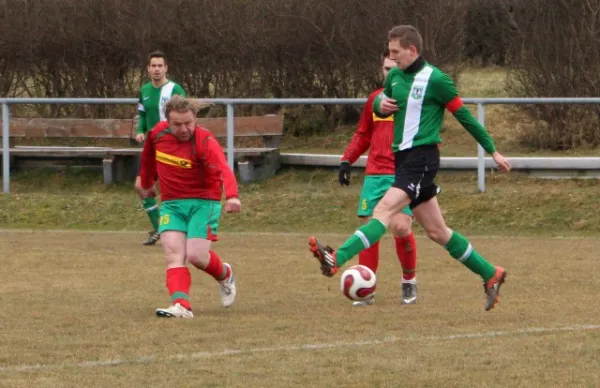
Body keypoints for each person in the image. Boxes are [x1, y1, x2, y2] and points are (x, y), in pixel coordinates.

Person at [309, 25, 511, 311]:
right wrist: (381, 105)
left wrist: (492, 150)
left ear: (412, 50)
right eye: (389, 52)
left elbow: (464, 116)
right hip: (402, 159)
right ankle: (491, 273)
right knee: (438, 232)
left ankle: (336, 258)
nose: (391, 59)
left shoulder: (437, 79)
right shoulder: (394, 77)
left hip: (422, 158)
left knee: (383, 211)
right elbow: (381, 106)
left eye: (395, 53)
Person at [136, 95, 241, 318]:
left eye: (188, 123)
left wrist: (232, 196)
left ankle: (225, 273)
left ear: (195, 119)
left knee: (197, 257)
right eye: (177, 124)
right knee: (173, 255)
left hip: (204, 202)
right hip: (172, 204)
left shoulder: (205, 141)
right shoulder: (158, 134)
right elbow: (147, 159)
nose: (184, 129)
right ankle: (181, 306)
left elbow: (223, 168)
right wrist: (145, 183)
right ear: (167, 121)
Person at [338, 49, 418, 306]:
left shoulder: (414, 100)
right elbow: (363, 134)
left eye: (395, 67)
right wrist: (346, 160)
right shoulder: (375, 100)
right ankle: (367, 288)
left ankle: (408, 280)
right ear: (381, 71)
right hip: (374, 175)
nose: (391, 73)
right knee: (369, 230)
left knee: (401, 227)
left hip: (402, 173)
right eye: (386, 69)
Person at [135, 50, 187, 246]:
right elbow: (141, 115)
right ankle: (159, 228)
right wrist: (140, 130)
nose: (156, 69)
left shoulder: (175, 89)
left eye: (160, 66)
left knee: (173, 190)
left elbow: (185, 115)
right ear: (148, 69)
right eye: (153, 66)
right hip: (152, 147)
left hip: (171, 147)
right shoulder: (145, 91)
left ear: (166, 68)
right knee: (141, 186)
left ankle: (184, 228)